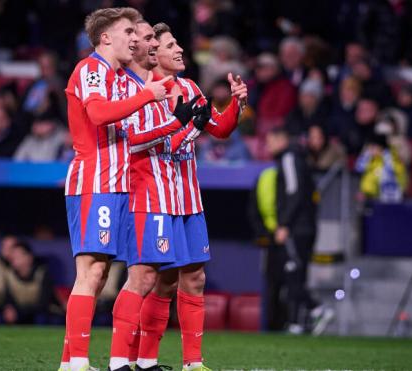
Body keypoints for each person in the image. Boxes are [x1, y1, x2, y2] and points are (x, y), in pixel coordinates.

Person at [58, 7, 174, 371]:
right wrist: (148, 96)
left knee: (100, 273)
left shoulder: (116, 76)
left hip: (115, 183)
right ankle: (76, 364)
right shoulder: (91, 69)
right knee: (91, 272)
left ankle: (70, 361)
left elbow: (128, 136)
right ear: (106, 37)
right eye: (128, 32)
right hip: (95, 180)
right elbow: (96, 115)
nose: (135, 39)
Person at [130, 22, 246, 371]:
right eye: (170, 45)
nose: (180, 50)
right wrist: (190, 128)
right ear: (155, 54)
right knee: (158, 280)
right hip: (156, 199)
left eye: (179, 43)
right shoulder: (145, 90)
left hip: (188, 198)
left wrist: (237, 105)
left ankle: (193, 363)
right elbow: (158, 146)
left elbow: (219, 129)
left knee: (194, 277)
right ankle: (139, 359)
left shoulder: (191, 86)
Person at [106, 19, 205, 371]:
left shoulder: (170, 88)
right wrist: (181, 124)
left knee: (166, 279)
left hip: (174, 196)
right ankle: (119, 362)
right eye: (149, 39)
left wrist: (192, 126)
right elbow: (136, 141)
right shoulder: (133, 87)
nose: (152, 45)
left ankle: (146, 362)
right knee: (143, 276)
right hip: (145, 195)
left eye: (152, 38)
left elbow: (170, 141)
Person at [261, 127, 323, 334]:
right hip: (303, 226)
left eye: (270, 141)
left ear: (281, 139)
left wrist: (284, 224)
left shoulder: (289, 158)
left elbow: (294, 193)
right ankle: (296, 322)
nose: (267, 146)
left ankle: (316, 309)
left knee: (293, 272)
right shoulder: (295, 157)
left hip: (298, 228)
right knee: (295, 273)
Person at [2, 241, 61, 325]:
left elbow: (43, 304)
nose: (13, 258)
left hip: (42, 314)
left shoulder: (42, 274)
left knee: (42, 318)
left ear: (29, 258)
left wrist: (20, 312)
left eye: (18, 256)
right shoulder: (9, 275)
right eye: (13, 256)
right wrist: (9, 308)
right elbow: (8, 299)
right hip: (20, 315)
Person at [355, 134, 408, 202]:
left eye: (373, 147)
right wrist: (364, 192)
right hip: (371, 197)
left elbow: (397, 178)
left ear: (381, 147)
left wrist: (366, 192)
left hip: (388, 197)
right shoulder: (369, 159)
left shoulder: (390, 161)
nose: (370, 150)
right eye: (369, 147)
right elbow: (360, 171)